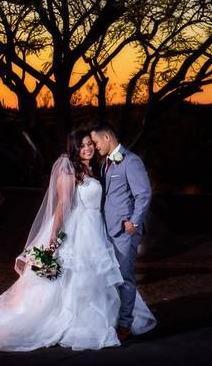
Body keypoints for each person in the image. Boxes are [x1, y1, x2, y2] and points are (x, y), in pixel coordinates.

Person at [0, 129, 155, 351]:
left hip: (97, 229)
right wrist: (53, 237)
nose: (89, 148)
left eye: (90, 144)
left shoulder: (96, 168)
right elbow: (62, 205)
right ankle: (71, 322)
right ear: (74, 148)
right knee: (74, 278)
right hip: (79, 229)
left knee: (97, 278)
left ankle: (108, 320)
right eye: (82, 146)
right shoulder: (69, 170)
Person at [89, 122, 155, 342]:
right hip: (107, 231)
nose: (95, 146)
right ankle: (113, 318)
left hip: (125, 231)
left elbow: (143, 195)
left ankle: (125, 324)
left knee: (125, 278)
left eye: (96, 142)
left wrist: (134, 223)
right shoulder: (104, 164)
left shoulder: (132, 161)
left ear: (107, 137)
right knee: (111, 277)